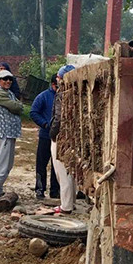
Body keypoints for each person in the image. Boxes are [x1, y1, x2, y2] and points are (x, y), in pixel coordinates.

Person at [0, 69, 23, 201]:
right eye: (5, 79)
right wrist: (19, 105)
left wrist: (18, 105)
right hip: (3, 134)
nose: (8, 81)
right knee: (2, 165)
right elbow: (16, 107)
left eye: (10, 79)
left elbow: (18, 105)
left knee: (7, 165)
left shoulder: (8, 93)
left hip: (9, 134)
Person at [50, 65, 77, 214]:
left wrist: (52, 134)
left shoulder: (62, 94)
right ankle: (71, 202)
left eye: (59, 77)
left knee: (61, 172)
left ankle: (65, 206)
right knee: (70, 171)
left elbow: (58, 118)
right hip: (73, 137)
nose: (57, 79)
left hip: (61, 137)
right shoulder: (78, 92)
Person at [29, 74, 59, 200]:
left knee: (56, 166)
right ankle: (40, 189)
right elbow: (33, 112)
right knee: (41, 164)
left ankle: (55, 191)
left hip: (60, 138)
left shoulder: (65, 96)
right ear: (53, 84)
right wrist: (45, 124)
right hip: (45, 136)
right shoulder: (43, 96)